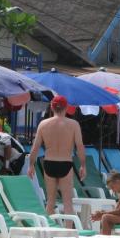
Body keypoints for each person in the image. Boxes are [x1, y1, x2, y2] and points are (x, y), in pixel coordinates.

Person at [28, 95, 86, 227]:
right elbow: (80, 147)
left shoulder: (43, 124)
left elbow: (35, 148)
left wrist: (31, 165)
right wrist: (83, 165)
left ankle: (46, 230)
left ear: (52, 107)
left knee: (50, 201)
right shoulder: (73, 124)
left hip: (49, 163)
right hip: (66, 163)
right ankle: (68, 233)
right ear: (66, 107)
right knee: (67, 202)